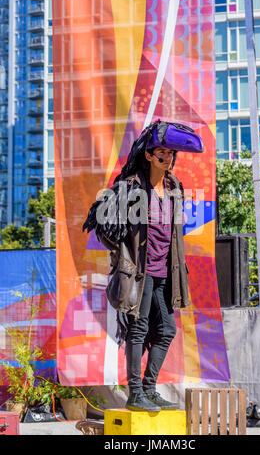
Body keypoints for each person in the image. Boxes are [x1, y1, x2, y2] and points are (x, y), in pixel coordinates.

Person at [83, 121, 203, 412]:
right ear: (149, 155)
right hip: (140, 272)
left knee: (166, 330)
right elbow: (101, 224)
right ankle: (135, 393)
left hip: (166, 272)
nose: (169, 157)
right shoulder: (132, 187)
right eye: (162, 152)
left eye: (171, 153)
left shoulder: (175, 188)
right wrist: (122, 248)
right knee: (138, 330)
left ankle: (149, 388)